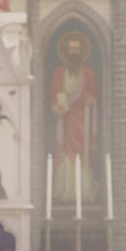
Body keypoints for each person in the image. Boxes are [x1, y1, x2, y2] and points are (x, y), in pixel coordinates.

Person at [49, 31, 97, 202]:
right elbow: (54, 94)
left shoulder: (88, 73)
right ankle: (66, 191)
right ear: (66, 51)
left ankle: (84, 191)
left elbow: (93, 94)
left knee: (82, 153)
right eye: (71, 49)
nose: (74, 52)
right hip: (65, 119)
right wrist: (60, 101)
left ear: (82, 51)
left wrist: (89, 99)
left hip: (83, 119)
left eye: (77, 49)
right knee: (65, 152)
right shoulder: (60, 72)